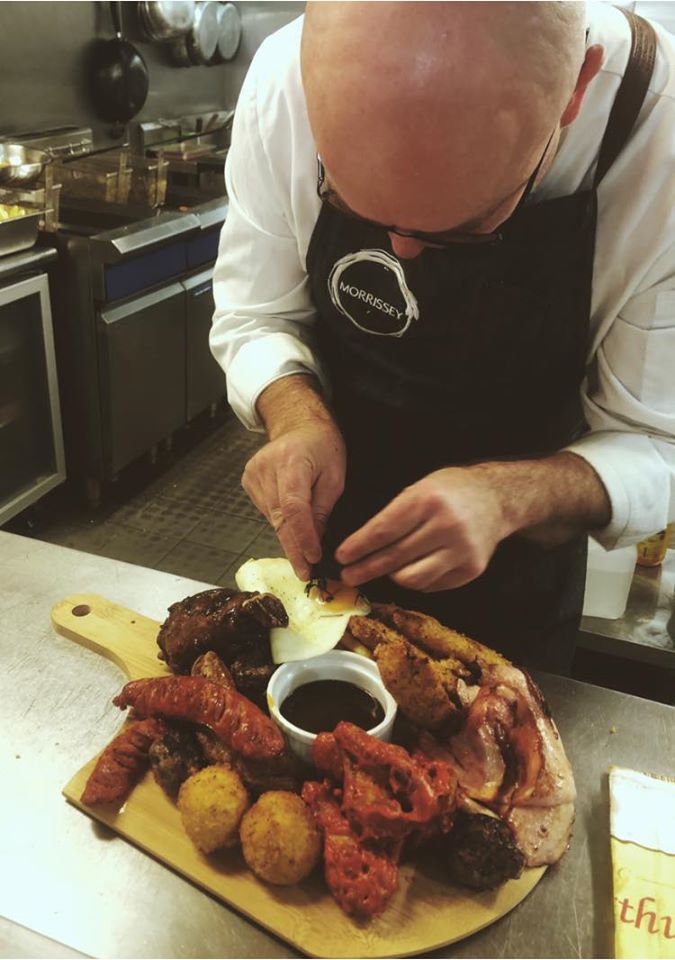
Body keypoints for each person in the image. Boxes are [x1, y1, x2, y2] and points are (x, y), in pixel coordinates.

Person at [210, 1, 675, 673]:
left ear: (575, 87)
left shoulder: (657, 136)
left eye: (461, 229)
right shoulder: (287, 79)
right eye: (351, 203)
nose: (399, 251)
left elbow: (656, 440)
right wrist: (294, 418)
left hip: (523, 569)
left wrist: (508, 495)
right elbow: (255, 312)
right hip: (338, 535)